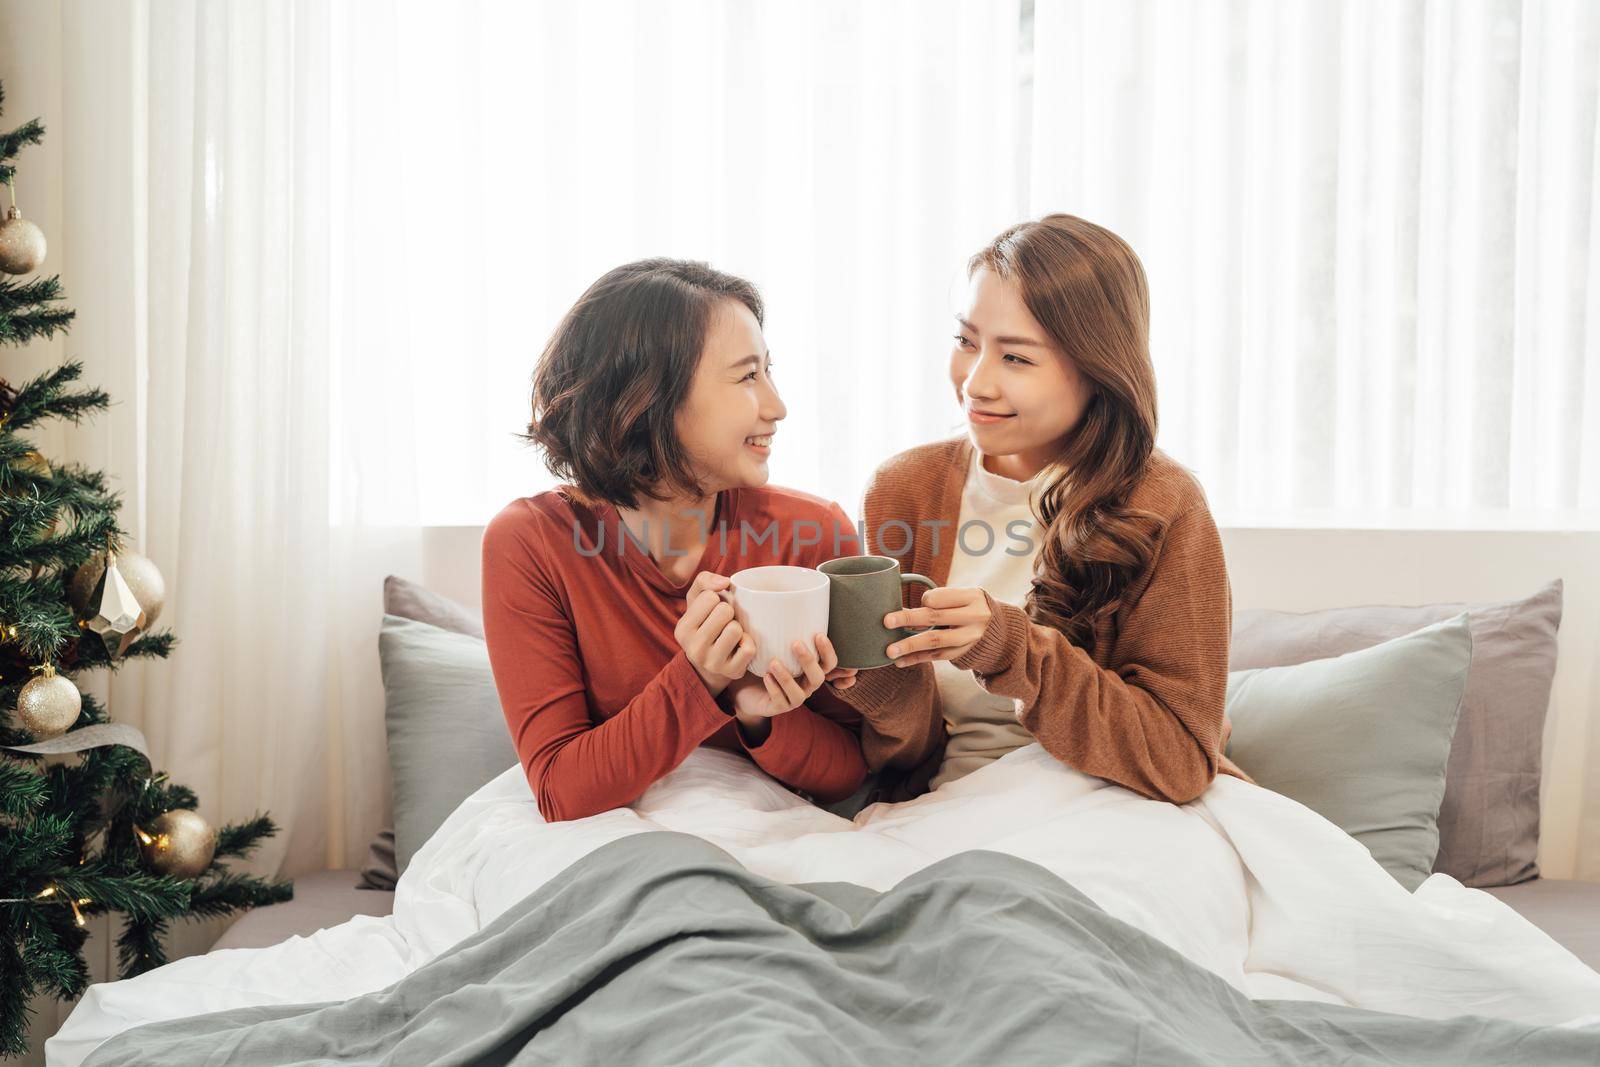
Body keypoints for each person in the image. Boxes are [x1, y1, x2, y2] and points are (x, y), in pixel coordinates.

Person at [481, 258, 926, 822]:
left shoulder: (811, 534)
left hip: (772, 837)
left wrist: (756, 712)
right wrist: (701, 680)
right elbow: (559, 792)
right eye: (747, 377)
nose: (777, 406)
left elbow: (846, 774)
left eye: (770, 372)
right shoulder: (531, 543)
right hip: (610, 844)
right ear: (645, 399)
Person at [829, 214, 1253, 804]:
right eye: (966, 342)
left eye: (1017, 359)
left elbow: (1179, 759)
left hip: (1109, 809)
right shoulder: (905, 489)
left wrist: (1009, 647)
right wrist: (860, 675)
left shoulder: (1161, 503)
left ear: (1097, 368)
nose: (975, 383)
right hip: (946, 811)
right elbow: (910, 750)